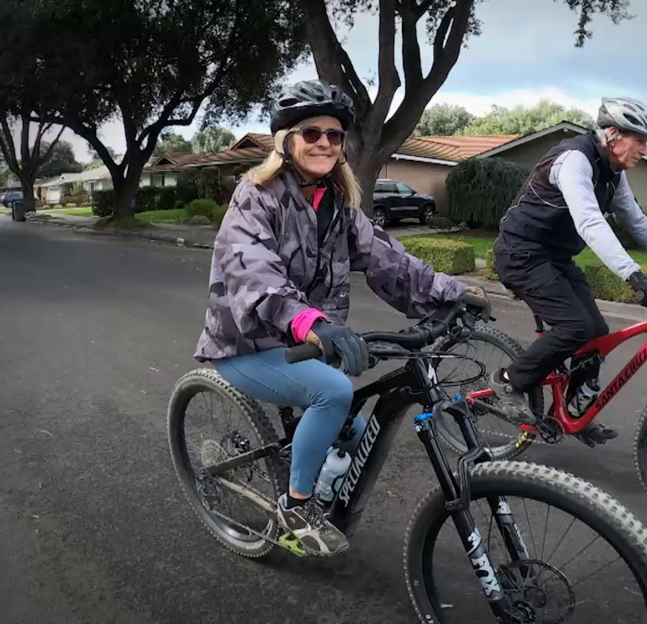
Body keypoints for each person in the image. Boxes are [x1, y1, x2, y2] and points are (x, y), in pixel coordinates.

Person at [193, 79, 486, 556]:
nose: (325, 143)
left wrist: (452, 293)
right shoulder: (256, 197)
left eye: (334, 135)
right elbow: (255, 274)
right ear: (286, 141)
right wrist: (311, 322)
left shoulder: (339, 206)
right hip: (246, 343)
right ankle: (295, 507)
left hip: (307, 342)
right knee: (333, 392)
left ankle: (317, 483)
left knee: (354, 429)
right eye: (312, 133)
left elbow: (390, 261)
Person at [489, 96, 647, 447]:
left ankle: (575, 412)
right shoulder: (574, 161)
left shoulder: (613, 173)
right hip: (521, 254)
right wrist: (635, 277)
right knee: (575, 328)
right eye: (640, 140)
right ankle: (508, 382)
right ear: (613, 135)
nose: (645, 150)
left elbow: (636, 220)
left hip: (555, 258)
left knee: (596, 334)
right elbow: (589, 222)